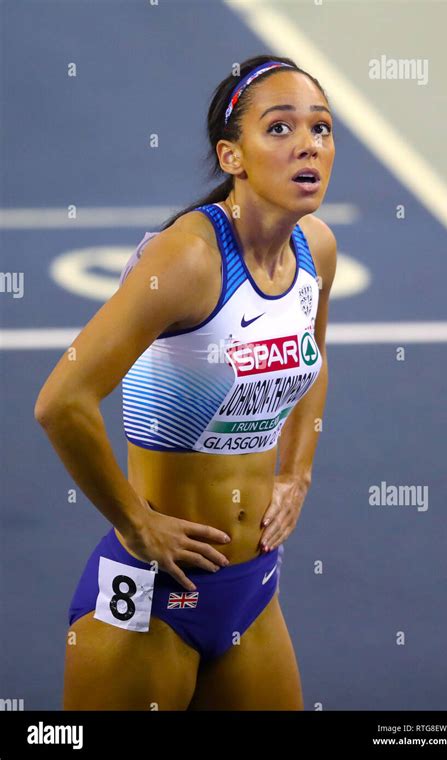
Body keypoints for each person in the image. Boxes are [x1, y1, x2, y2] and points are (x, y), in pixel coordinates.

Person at [34, 54, 337, 711]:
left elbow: (313, 355)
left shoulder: (317, 248)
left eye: (321, 127)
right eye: (280, 129)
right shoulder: (188, 260)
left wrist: (298, 472)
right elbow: (62, 402)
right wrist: (136, 522)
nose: (308, 144)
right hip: (151, 596)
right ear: (233, 156)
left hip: (252, 592)